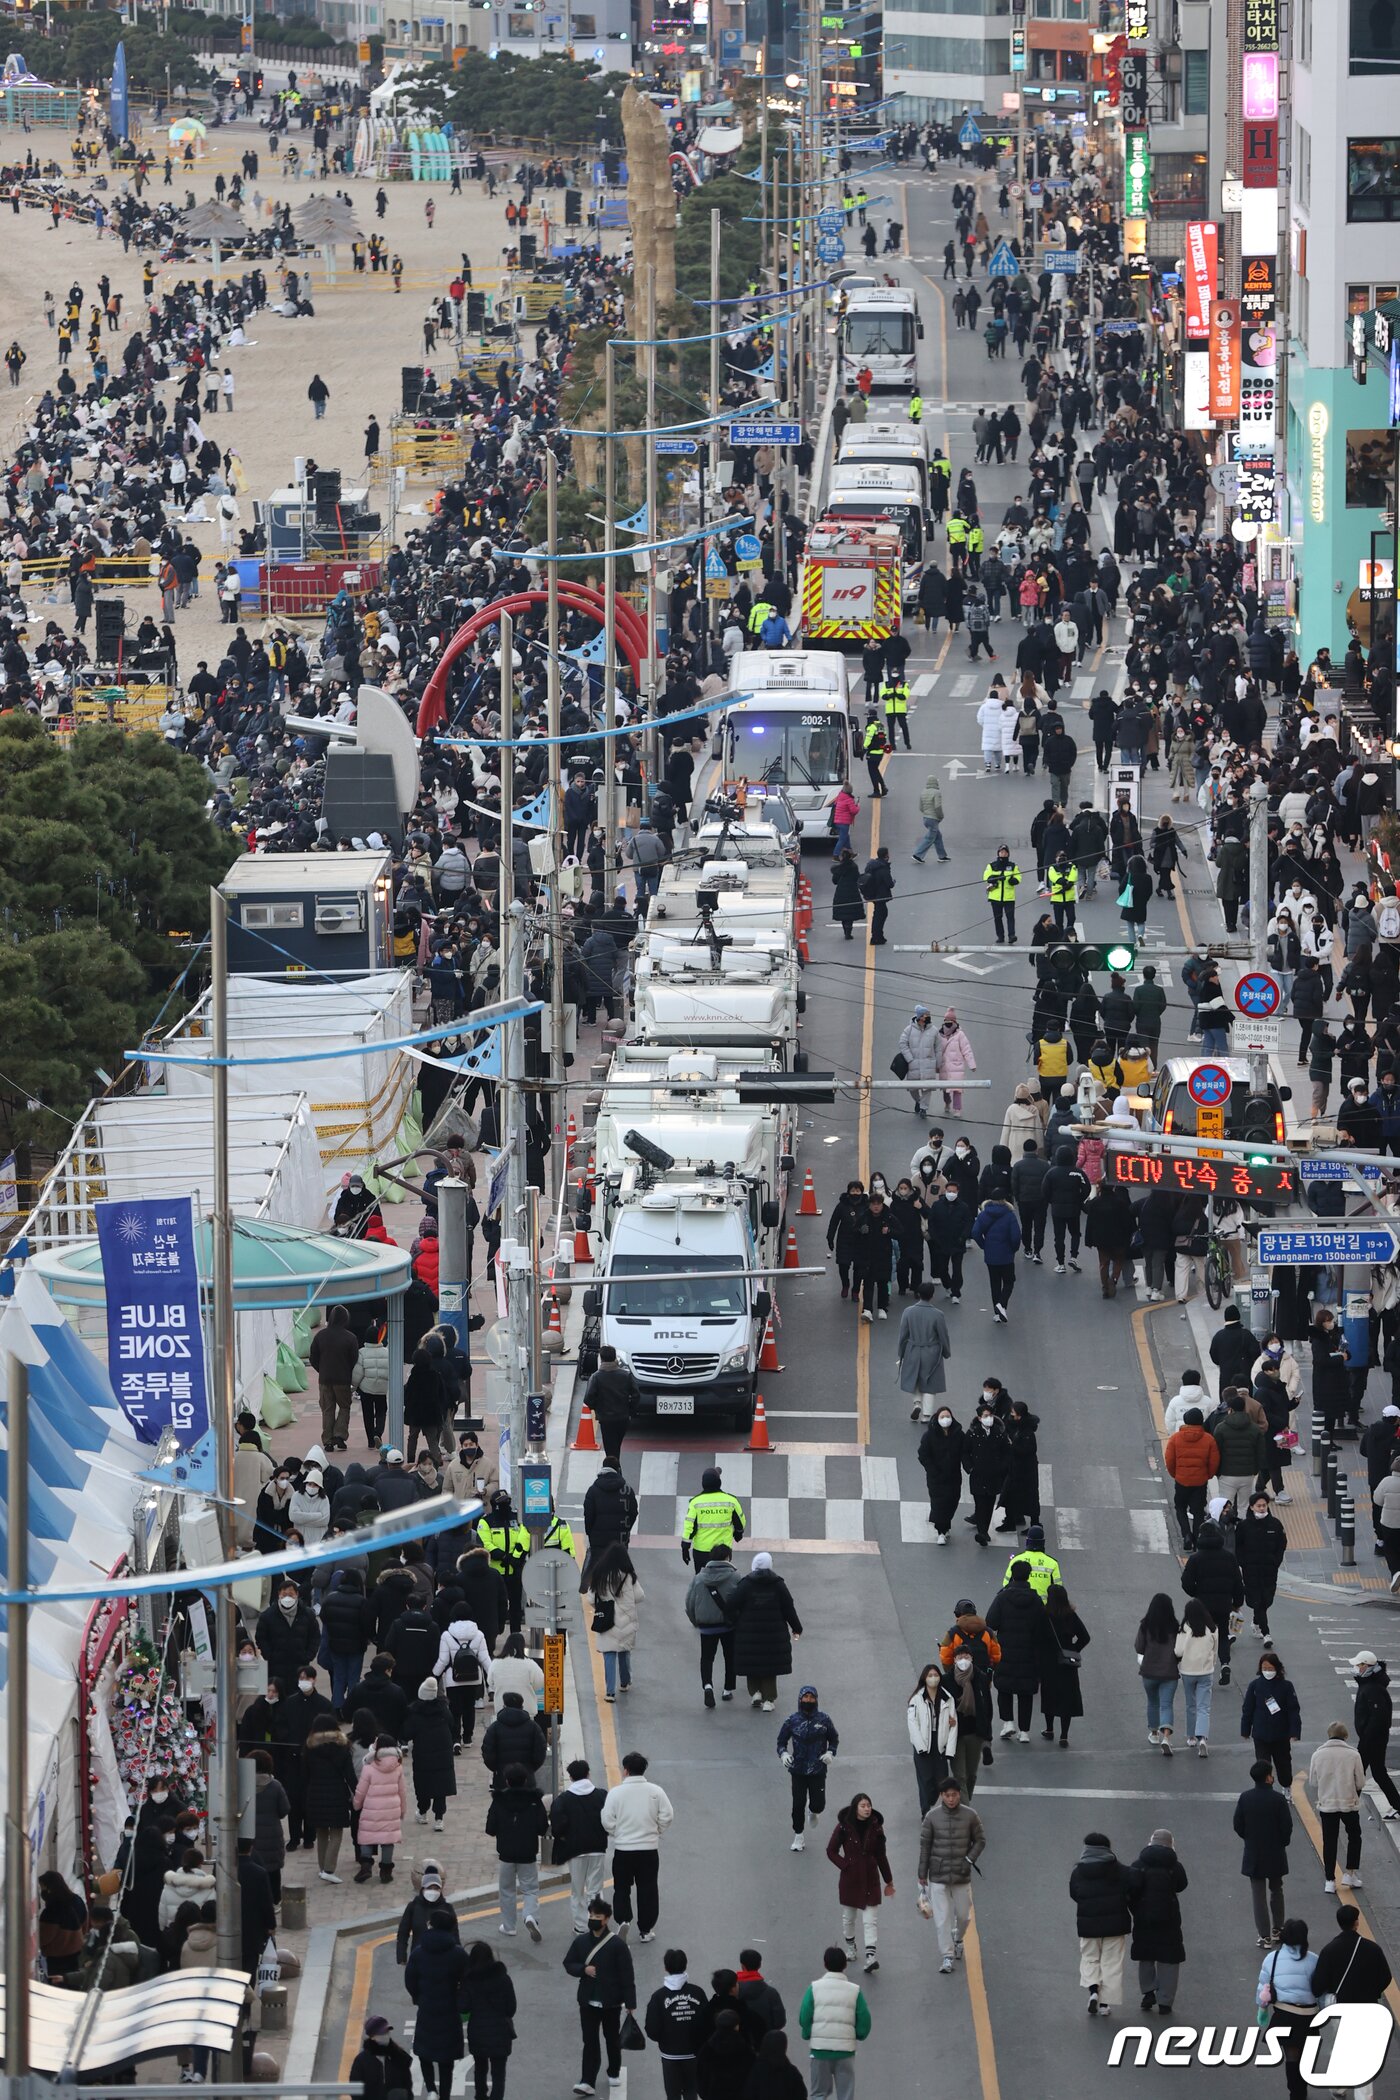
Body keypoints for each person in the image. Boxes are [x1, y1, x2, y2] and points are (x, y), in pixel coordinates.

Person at [564, 1897, 637, 2096]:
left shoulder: (617, 1945)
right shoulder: (581, 1942)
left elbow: (627, 1975)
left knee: (612, 2039)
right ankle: (587, 2080)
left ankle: (614, 2071)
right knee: (590, 2041)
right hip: (587, 2002)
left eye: (597, 1916)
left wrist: (630, 2003)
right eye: (591, 1915)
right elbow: (568, 1963)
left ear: (606, 1919)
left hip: (611, 2003)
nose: (593, 1919)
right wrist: (583, 1969)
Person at [601, 1750, 674, 1943]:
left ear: (625, 1770)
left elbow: (607, 1820)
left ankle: (623, 1920)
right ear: (643, 1770)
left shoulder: (616, 1793)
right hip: (648, 1850)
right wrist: (656, 1830)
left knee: (622, 1888)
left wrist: (618, 1833)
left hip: (624, 1850)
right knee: (648, 1888)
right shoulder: (656, 1791)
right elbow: (668, 1815)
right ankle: (646, 1929)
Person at [916, 1775, 985, 1977]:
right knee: (942, 1918)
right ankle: (947, 1955)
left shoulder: (971, 1816)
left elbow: (980, 1840)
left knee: (964, 1916)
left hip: (962, 1874)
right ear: (941, 1796)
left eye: (954, 1795)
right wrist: (922, 1874)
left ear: (959, 1795)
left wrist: (969, 1860)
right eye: (947, 1795)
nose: (951, 1799)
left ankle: (958, 1938)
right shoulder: (931, 1817)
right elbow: (925, 1846)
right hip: (937, 1875)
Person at [985, 1559, 1055, 1740]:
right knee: (1025, 1691)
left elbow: (991, 1621)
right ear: (1028, 1575)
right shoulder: (1036, 1600)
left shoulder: (1002, 1597)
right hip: (1029, 1652)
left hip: (1006, 1649)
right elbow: (1043, 1627)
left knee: (1005, 1687)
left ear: (1013, 1575)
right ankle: (1024, 1731)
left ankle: (1008, 1722)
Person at [404, 1908, 470, 2100]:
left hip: (427, 2009)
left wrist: (419, 1998)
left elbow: (410, 1980)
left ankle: (431, 2088)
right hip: (450, 2012)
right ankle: (444, 2096)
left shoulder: (419, 1953)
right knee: (446, 2060)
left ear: (431, 1926)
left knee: (425, 2051)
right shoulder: (458, 1954)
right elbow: (468, 1980)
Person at [1069, 1831, 1133, 2016]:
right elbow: (1132, 1886)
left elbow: (1074, 1894)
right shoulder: (1119, 1870)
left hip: (1088, 1924)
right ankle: (1105, 2004)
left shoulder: (1078, 1872)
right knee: (1111, 1962)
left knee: (1090, 1958)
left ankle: (1093, 1992)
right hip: (1116, 1923)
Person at [729, 1551, 803, 1710]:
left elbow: (731, 1605)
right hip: (774, 1633)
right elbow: (788, 1608)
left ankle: (755, 1692)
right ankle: (769, 1700)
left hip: (748, 1632)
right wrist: (797, 1628)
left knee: (752, 1660)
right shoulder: (778, 1584)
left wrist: (736, 1622)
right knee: (770, 1666)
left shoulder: (746, 1584)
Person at [485, 1761, 549, 1940]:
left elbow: (490, 1828)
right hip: (528, 1852)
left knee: (506, 1890)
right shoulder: (535, 1800)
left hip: (506, 1853)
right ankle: (530, 1916)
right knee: (530, 1889)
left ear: (506, 1781)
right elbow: (542, 1828)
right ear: (525, 1780)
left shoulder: (499, 1800)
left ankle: (509, 1926)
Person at [797, 1947, 872, 2100]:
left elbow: (804, 2016)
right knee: (846, 2094)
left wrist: (807, 2033)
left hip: (819, 2050)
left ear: (825, 1964)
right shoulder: (854, 1991)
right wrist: (857, 2035)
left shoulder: (814, 1988)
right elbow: (864, 2020)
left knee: (818, 2093)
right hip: (845, 2051)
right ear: (845, 1965)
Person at [1127, 1829, 1188, 2017]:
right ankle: (1165, 2001)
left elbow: (1132, 1888)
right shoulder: (1175, 1866)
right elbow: (1182, 1885)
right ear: (1171, 1843)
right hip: (1169, 1917)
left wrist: (1136, 1908)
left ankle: (1147, 1993)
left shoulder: (1138, 1864)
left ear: (1150, 1842)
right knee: (1169, 1958)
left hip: (1144, 1916)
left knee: (1146, 1955)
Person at [1256, 1920, 1318, 2100]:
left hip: (1284, 2015)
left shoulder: (1272, 1958)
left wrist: (1262, 2008)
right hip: (1308, 2016)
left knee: (1292, 2056)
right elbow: (1320, 1989)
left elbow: (1262, 1988)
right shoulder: (1314, 1959)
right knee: (1306, 2054)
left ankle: (1296, 2092)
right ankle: (1302, 2085)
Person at [1234, 1759, 1293, 1948]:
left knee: (1257, 1895)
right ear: (1268, 1777)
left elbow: (1238, 1825)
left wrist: (1249, 1839)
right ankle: (1278, 1929)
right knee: (1277, 1889)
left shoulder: (1245, 1798)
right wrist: (1282, 1842)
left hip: (1254, 1853)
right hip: (1275, 1852)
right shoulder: (1278, 1799)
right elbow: (1287, 1827)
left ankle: (1264, 1936)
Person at [551, 1759, 610, 1934]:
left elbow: (558, 1826)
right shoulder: (601, 1795)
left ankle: (581, 1926)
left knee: (577, 1891)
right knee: (596, 1889)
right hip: (597, 1848)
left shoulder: (563, 1800)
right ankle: (599, 1922)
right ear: (588, 1773)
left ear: (570, 1777)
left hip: (575, 1850)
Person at [1181, 1520, 1244, 1682]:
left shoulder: (1196, 1558)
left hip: (1203, 1605)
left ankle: (1205, 1669)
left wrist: (1197, 1594)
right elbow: (1238, 1583)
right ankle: (1225, 1663)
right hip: (1224, 1604)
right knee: (1223, 1635)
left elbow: (1186, 1582)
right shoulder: (1229, 1558)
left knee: (1203, 1636)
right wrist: (1236, 1603)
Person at [777, 1684, 839, 1851]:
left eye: (812, 1698)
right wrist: (783, 1754)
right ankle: (798, 1836)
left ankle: (813, 1810)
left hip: (818, 1768)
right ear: (800, 1699)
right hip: (797, 1769)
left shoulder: (824, 1720)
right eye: (806, 1697)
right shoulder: (792, 1720)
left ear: (816, 1700)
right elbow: (781, 1742)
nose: (808, 1700)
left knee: (818, 1804)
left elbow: (834, 1738)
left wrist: (831, 1753)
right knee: (798, 1803)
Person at [1309, 1721, 1367, 1893]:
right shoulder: (1353, 1755)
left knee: (1330, 1841)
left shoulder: (1318, 1755)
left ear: (1328, 1735)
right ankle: (1350, 1873)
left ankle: (1329, 1880)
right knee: (1354, 1836)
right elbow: (1361, 1781)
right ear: (1345, 1736)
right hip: (1348, 1802)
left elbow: (1313, 1782)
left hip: (1327, 1804)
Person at [644, 1951, 711, 2100]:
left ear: (666, 1967)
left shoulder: (658, 1997)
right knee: (691, 2092)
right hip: (694, 2054)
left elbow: (652, 2029)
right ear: (685, 1965)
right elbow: (708, 2022)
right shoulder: (697, 1992)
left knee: (672, 2095)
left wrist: (665, 2039)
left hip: (670, 2055)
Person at [459, 1939, 518, 2100]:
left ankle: (480, 2096)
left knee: (480, 2069)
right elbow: (511, 2008)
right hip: (501, 2032)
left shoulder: (470, 1980)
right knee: (499, 2075)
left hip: (478, 2032)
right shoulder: (504, 1979)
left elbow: (463, 2007)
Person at [589, 1543, 643, 1702]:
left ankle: (610, 1692)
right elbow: (640, 1596)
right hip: (627, 1619)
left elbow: (591, 1598)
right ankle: (625, 1682)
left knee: (609, 1653)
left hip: (607, 1618)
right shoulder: (629, 1575)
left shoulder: (599, 1574)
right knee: (624, 1651)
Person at [1241, 1648, 1302, 1785]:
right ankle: (1265, 1787)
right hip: (1261, 1734)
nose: (1267, 1671)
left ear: (1277, 1668)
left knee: (1283, 1764)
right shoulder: (1255, 1686)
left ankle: (1286, 1786)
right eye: (1264, 1668)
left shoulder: (1286, 1686)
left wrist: (1295, 1732)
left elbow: (1293, 1710)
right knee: (1263, 1765)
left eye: (1270, 1668)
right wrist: (1245, 1730)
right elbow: (1248, 1709)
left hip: (1281, 1735)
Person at [1350, 1649, 1400, 1816]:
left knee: (1358, 1772)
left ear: (1366, 1666)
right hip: (1372, 1738)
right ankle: (1397, 1804)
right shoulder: (1370, 1685)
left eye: (1359, 1665)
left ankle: (1350, 1805)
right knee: (1378, 1773)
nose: (1356, 1668)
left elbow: (1379, 1719)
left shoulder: (1372, 1689)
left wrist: (1366, 1739)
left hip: (1371, 1740)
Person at [1041, 1582, 1090, 1747]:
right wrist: (1073, 1650)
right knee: (1066, 1698)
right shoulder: (1071, 1616)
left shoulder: (1044, 1615)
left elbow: (1036, 1638)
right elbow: (1085, 1637)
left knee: (1049, 1695)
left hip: (1048, 1661)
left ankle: (1049, 1729)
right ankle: (1064, 1735)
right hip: (1067, 1663)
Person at [353, 1736, 407, 1884]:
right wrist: (403, 1809)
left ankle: (365, 1866)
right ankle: (386, 1871)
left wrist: (356, 1804)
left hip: (371, 1808)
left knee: (366, 1836)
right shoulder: (398, 1767)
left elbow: (361, 1790)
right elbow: (402, 1791)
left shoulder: (369, 1767)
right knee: (388, 1840)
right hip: (391, 1810)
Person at [897, 1282, 952, 1424]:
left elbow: (903, 1335)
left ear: (919, 1294)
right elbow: (943, 1335)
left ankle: (916, 1403)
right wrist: (946, 1352)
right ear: (932, 1295)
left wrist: (901, 1353)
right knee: (930, 1382)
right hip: (932, 1351)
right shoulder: (938, 1314)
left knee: (913, 1377)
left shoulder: (908, 1311)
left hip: (913, 1349)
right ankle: (927, 1415)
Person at [907, 1663, 958, 1811]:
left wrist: (950, 1750)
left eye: (936, 1675)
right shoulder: (916, 1699)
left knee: (941, 1781)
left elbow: (954, 1724)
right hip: (923, 1743)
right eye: (930, 1676)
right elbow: (912, 1724)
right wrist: (920, 1747)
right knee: (925, 1781)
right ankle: (925, 1812)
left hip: (939, 1743)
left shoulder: (947, 1699)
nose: (933, 1678)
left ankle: (937, 1805)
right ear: (924, 1678)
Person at [1135, 1593, 1181, 1755]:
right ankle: (1166, 1737)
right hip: (1169, 1672)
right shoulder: (1175, 1627)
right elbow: (1179, 1650)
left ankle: (1154, 1734)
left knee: (1153, 1702)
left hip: (1149, 1671)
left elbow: (1139, 1647)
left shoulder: (1145, 1625)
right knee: (1166, 1704)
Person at [1237, 1491, 1287, 1639]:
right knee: (1256, 1600)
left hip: (1269, 1570)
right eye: (1258, 1506)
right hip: (1251, 1570)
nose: (1261, 1508)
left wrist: (1276, 1561)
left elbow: (1282, 1544)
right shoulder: (1244, 1526)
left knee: (1266, 1600)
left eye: (1264, 1505)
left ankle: (1256, 1621)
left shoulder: (1275, 1524)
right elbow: (1238, 1546)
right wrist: (1243, 1563)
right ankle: (1266, 1633)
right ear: (1252, 1507)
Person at [962, 1401, 1010, 1547]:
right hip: (978, 1475)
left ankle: (983, 1531)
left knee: (989, 1504)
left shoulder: (1000, 1433)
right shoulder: (972, 1433)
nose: (989, 1418)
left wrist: (1002, 1468)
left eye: (991, 1415)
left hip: (994, 1476)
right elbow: (965, 1452)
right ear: (979, 1418)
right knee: (980, 1502)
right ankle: (982, 1531)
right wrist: (969, 1468)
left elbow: (1007, 1452)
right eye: (986, 1416)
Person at [1175, 1601, 1219, 1758]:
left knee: (1190, 1705)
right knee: (1203, 1707)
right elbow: (1215, 1650)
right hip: (1205, 1671)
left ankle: (1191, 1737)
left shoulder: (1184, 1628)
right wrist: (1211, 1664)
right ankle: (1202, 1738)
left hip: (1187, 1671)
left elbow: (1178, 1651)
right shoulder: (1212, 1628)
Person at [581, 1347, 641, 1463]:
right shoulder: (625, 1375)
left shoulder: (596, 1377)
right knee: (616, 1445)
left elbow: (588, 1398)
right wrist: (630, 1410)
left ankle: (614, 1472)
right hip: (622, 1417)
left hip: (606, 1418)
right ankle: (616, 1470)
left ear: (601, 1358)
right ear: (614, 1358)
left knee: (610, 1449)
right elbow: (636, 1395)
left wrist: (597, 1408)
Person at [971, 1190, 1022, 1324]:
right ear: (1005, 1200)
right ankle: (1002, 1304)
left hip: (991, 1255)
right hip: (1006, 1255)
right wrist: (1013, 1249)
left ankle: (997, 1312)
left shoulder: (983, 1214)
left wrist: (984, 1245)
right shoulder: (1009, 1215)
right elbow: (1016, 1236)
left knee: (995, 1283)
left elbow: (975, 1232)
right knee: (1009, 1281)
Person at [681, 1469, 746, 1570]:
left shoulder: (695, 1502)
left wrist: (685, 1547)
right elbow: (741, 1523)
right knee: (724, 1579)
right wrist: (738, 1533)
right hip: (723, 1551)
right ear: (719, 1483)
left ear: (703, 1484)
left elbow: (689, 1527)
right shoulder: (731, 1501)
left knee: (702, 1581)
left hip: (701, 1551)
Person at [918, 1406, 964, 1540]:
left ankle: (946, 1525)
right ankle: (941, 1531)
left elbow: (965, 1451)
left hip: (954, 1476)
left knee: (952, 1501)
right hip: (936, 1477)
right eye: (942, 1417)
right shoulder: (929, 1436)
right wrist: (932, 1470)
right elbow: (923, 1455)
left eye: (948, 1416)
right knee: (939, 1503)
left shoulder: (959, 1434)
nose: (945, 1420)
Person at [351, 2014, 415, 2100]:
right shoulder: (361, 2061)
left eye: (387, 2032)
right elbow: (355, 2091)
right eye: (382, 2033)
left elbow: (407, 2086)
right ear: (372, 2037)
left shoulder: (399, 2056)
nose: (386, 2035)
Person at [896, 1006, 942, 1117]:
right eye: (926, 1015)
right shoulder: (909, 1030)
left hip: (929, 1064)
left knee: (927, 1088)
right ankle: (919, 1101)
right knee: (913, 1087)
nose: (928, 1017)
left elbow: (938, 1048)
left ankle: (923, 1109)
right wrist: (909, 1058)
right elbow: (902, 1044)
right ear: (920, 1017)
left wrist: (938, 1064)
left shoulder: (934, 1031)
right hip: (913, 1064)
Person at [983, 844, 1022, 943]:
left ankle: (1011, 935)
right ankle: (1000, 936)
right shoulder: (992, 865)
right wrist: (997, 878)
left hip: (1009, 897)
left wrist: (1013, 880)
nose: (1003, 854)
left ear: (1008, 854)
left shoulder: (1013, 866)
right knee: (998, 918)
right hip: (995, 897)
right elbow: (986, 877)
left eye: (1005, 852)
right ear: (998, 853)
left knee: (1010, 917)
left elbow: (1018, 877)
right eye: (1001, 852)